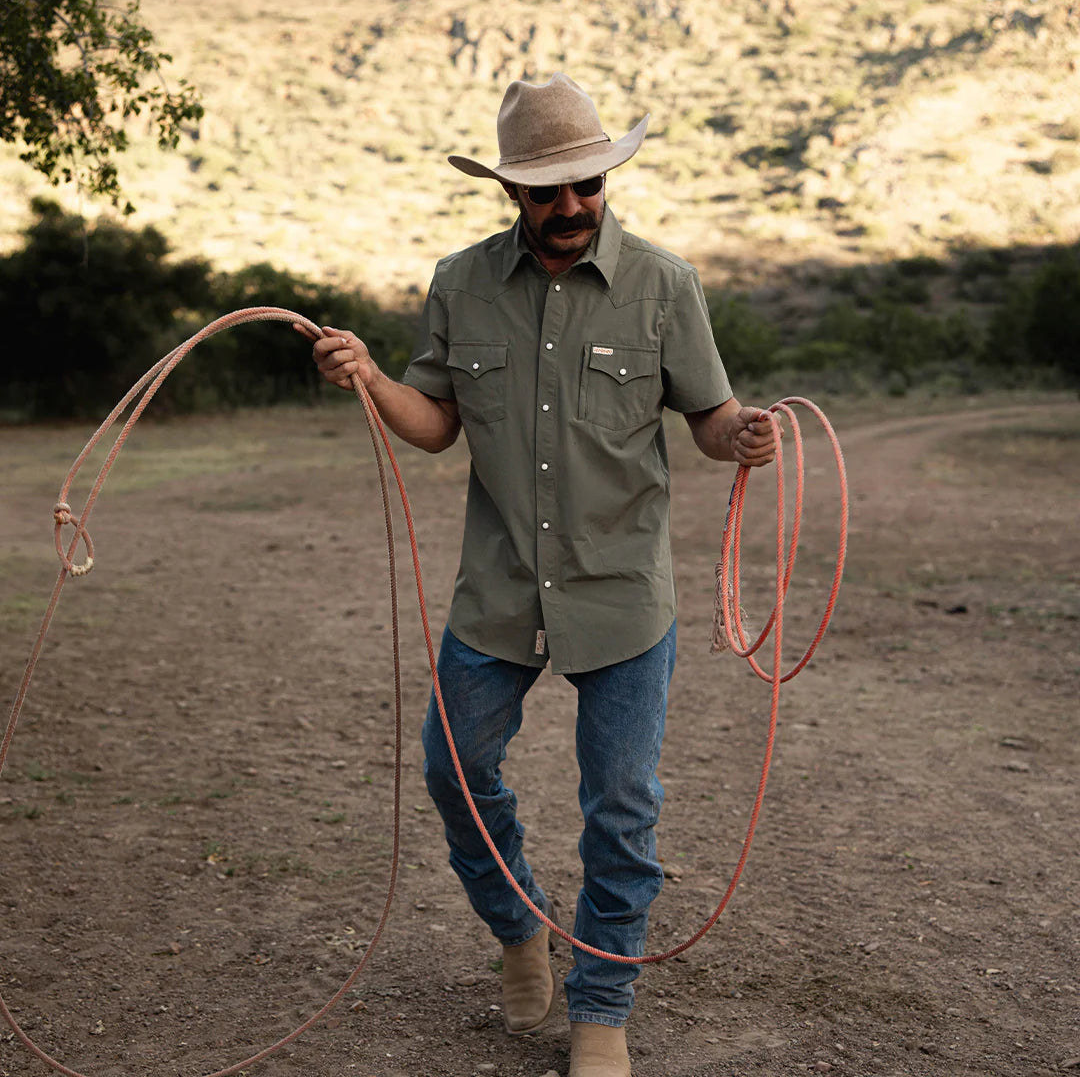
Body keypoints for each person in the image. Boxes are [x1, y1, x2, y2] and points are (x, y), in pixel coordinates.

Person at [301, 72, 778, 1077]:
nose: (569, 206)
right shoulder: (460, 283)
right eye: (544, 190)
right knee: (453, 771)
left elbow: (709, 417)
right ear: (510, 191)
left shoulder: (666, 284)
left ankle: (601, 1006)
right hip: (501, 587)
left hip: (624, 593)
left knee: (622, 807)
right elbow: (436, 424)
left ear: (606, 178)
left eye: (585, 185)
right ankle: (521, 929)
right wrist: (372, 377)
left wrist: (742, 434)